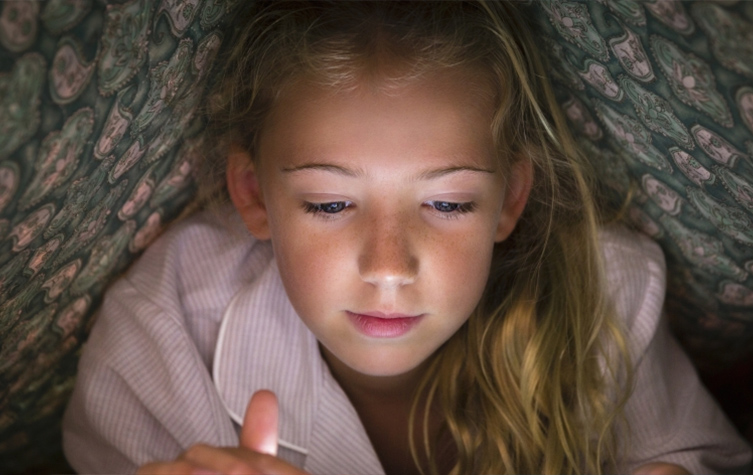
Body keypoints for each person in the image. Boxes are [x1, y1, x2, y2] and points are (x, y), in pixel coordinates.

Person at [62, 1, 751, 474]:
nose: (388, 267)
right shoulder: (163, 338)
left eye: (448, 203)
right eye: (330, 203)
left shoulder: (603, 294)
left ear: (508, 199)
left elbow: (692, 456)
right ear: (253, 196)